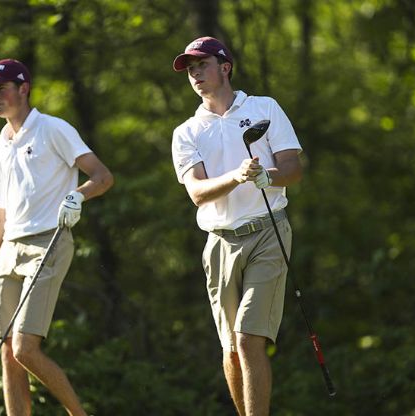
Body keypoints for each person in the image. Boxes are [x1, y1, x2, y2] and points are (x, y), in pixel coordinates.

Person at [0, 58, 113, 416]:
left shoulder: (52, 129)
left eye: (1, 88)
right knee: (8, 354)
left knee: (25, 348)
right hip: (8, 253)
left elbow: (102, 176)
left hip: (49, 243)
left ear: (23, 88)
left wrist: (78, 195)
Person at [171, 37, 303, 416]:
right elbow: (196, 192)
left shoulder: (264, 108)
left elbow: (292, 169)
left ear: (225, 67)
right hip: (219, 243)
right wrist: (237, 177)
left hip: (268, 232)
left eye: (202, 65)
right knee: (230, 347)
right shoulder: (187, 131)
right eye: (190, 69)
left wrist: (267, 177)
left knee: (247, 339)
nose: (195, 74)